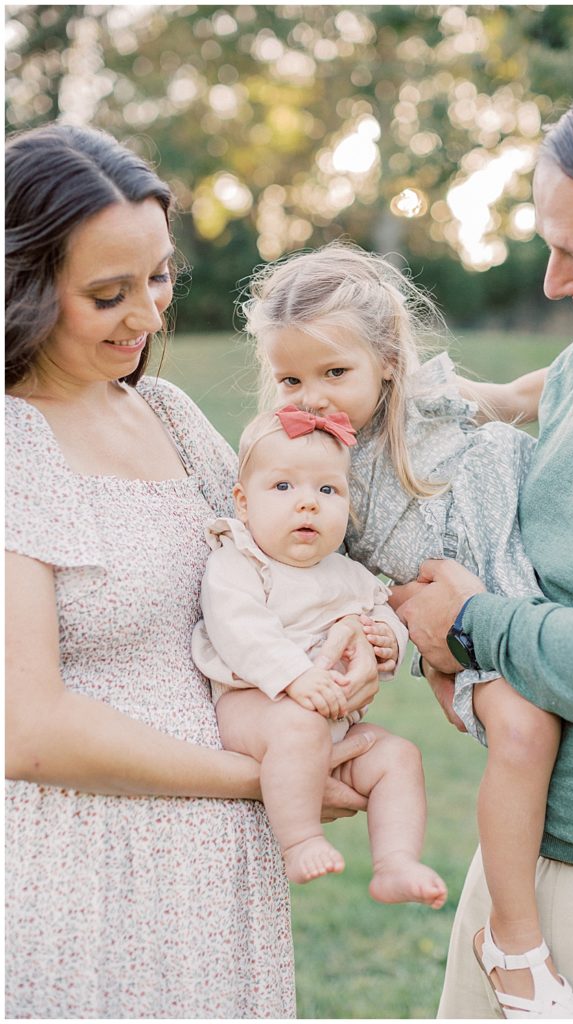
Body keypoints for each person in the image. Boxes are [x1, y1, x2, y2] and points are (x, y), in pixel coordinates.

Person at [5, 123, 382, 1019]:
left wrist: (357, 644)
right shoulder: (13, 445)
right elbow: (28, 730)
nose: (149, 315)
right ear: (21, 289)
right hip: (86, 868)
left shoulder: (166, 413)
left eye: (159, 276)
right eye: (108, 294)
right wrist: (275, 780)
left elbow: (279, 559)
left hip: (217, 873)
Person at [391, 56, 573, 1019]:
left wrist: (473, 624)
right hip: (519, 866)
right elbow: (547, 392)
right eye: (553, 249)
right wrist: (465, 400)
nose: (557, 283)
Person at [240, 241, 573, 1017]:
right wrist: (372, 638)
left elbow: (524, 392)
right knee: (526, 732)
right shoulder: (308, 461)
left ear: (389, 358)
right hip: (458, 628)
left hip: (539, 582)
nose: (315, 397)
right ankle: (513, 940)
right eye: (293, 378)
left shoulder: (432, 398)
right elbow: (313, 573)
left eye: (336, 374)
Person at [191, 406, 448, 907]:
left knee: (398, 756)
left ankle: (395, 861)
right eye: (284, 487)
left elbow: (383, 609)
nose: (307, 504)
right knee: (299, 726)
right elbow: (240, 628)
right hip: (256, 708)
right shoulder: (239, 561)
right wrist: (295, 678)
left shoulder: (345, 572)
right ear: (244, 503)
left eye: (327, 490)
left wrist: (387, 639)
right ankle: (301, 839)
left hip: (333, 723)